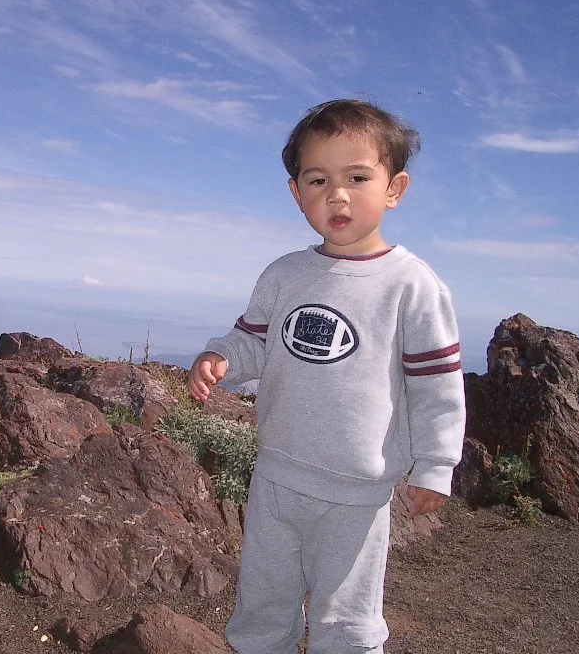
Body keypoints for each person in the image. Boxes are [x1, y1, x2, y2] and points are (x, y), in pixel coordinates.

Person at [188, 99, 466, 654]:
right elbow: (257, 341)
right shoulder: (285, 274)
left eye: (357, 177)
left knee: (346, 621)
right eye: (318, 179)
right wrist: (221, 358)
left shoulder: (410, 285)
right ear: (296, 193)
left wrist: (436, 466)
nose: (337, 194)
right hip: (276, 473)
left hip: (356, 491)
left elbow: (437, 386)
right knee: (263, 604)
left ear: (395, 188)